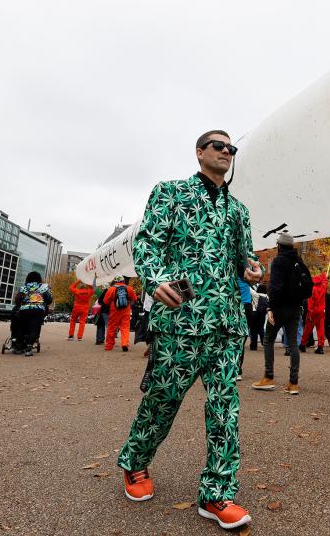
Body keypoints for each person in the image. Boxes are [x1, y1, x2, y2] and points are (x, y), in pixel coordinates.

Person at [117, 130, 261, 530]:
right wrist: (154, 278)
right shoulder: (170, 192)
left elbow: (244, 257)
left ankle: (217, 494)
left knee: (224, 409)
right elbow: (147, 243)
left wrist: (252, 269)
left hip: (228, 323)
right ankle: (135, 462)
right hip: (181, 319)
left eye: (232, 148)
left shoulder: (239, 210)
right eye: (219, 145)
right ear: (200, 152)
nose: (227, 152)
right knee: (163, 399)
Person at [252, 233, 307, 394]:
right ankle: (293, 383)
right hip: (295, 308)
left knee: (268, 340)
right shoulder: (299, 261)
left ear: (279, 246)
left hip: (279, 308)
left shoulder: (278, 261)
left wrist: (270, 308)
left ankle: (269, 377)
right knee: (293, 344)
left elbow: (275, 287)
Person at [13, 271, 52, 357]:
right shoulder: (43, 287)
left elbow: (17, 299)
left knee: (21, 327)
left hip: (24, 310)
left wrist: (21, 304)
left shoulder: (24, 287)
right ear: (39, 279)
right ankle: (29, 348)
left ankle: (18, 346)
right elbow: (49, 299)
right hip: (38, 310)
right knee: (34, 328)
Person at [103, 276, 137, 351]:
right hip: (126, 310)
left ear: (115, 281)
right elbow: (135, 298)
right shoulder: (129, 288)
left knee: (111, 328)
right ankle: (125, 344)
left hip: (114, 310)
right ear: (123, 280)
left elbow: (105, 301)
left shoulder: (111, 289)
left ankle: (109, 346)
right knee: (125, 328)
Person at [300, 272, 328, 354]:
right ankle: (320, 346)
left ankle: (303, 344)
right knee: (321, 329)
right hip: (321, 311)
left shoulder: (312, 289)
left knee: (307, 329)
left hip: (313, 312)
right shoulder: (323, 287)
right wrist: (324, 275)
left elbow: (310, 303)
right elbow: (325, 280)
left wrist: (310, 313)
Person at [249, 284, 269, 350]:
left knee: (253, 330)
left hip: (254, 313)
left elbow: (250, 289)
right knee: (261, 329)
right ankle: (265, 343)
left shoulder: (256, 295)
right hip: (262, 314)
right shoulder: (267, 297)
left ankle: (254, 346)